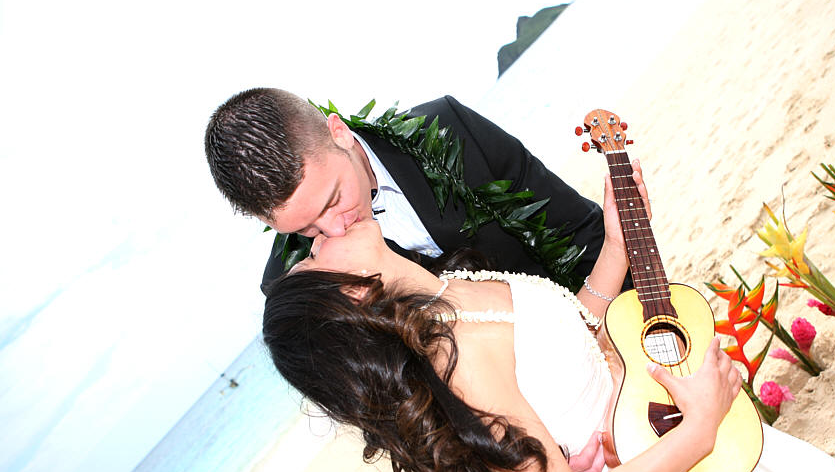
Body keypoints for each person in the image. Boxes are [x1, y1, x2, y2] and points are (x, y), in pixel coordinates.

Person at [261, 176, 835, 472]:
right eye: (311, 258)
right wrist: (702, 425)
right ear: (351, 299)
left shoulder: (449, 292)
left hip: (695, 467)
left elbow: (563, 337)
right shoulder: (458, 358)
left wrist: (617, 247)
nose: (313, 239)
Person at [203, 87, 627, 291]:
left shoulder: (450, 130)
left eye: (333, 199)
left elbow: (578, 231)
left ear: (339, 132)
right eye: (306, 229)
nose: (334, 231)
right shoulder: (291, 283)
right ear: (265, 220)